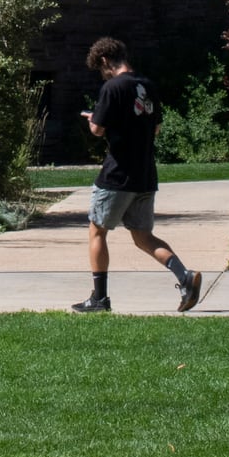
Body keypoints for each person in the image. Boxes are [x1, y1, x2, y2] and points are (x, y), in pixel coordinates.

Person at [73, 36, 200, 314]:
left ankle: (99, 299)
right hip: (145, 174)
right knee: (143, 237)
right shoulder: (149, 86)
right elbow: (155, 128)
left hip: (117, 175)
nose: (102, 73)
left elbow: (97, 129)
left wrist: (93, 118)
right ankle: (185, 277)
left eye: (100, 67)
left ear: (105, 61)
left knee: (97, 231)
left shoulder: (112, 87)